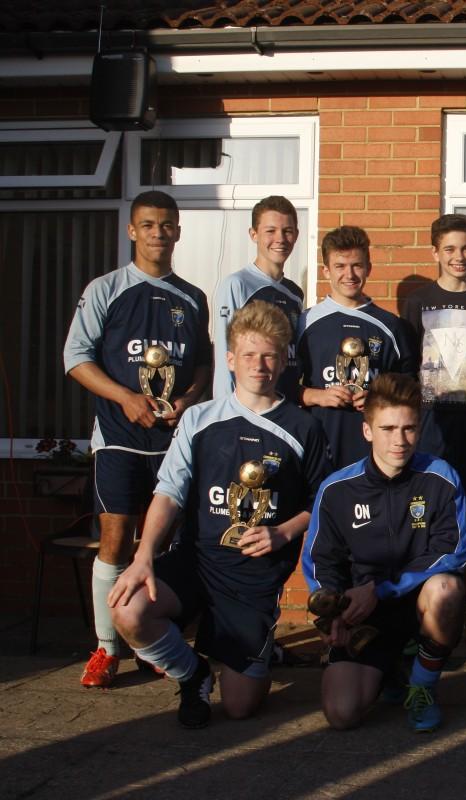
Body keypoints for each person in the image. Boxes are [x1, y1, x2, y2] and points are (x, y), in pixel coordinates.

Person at [107, 302, 330, 728]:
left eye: (269, 355)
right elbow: (169, 492)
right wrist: (143, 558)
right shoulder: (198, 418)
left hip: (252, 578)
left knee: (240, 707)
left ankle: (253, 652)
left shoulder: (303, 427)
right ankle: (191, 674)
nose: (259, 366)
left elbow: (323, 499)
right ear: (230, 359)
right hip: (197, 559)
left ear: (283, 359)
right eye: (248, 355)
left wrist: (283, 532)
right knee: (128, 609)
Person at [63, 190, 213, 688]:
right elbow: (76, 359)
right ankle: (106, 648)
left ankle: (147, 641)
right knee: (116, 537)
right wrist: (126, 397)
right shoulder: (106, 289)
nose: (158, 233)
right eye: (148, 225)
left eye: (167, 224)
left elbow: (203, 365)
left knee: (161, 542)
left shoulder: (193, 297)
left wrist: (190, 399)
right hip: (119, 436)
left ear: (177, 230)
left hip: (170, 442)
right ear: (132, 230)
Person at [301, 373, 466, 733]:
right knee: (342, 715)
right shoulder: (336, 490)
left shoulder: (441, 477)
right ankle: (391, 667)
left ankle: (422, 686)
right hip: (363, 613)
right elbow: (321, 561)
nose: (400, 440)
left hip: (414, 602)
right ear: (368, 431)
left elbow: (452, 551)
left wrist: (381, 589)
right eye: (388, 428)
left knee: (447, 589)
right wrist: (335, 612)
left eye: (409, 428)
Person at [403, 212, 466, 653]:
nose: (458, 257)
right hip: (431, 427)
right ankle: (418, 616)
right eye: (449, 249)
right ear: (435, 252)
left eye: (465, 248)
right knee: (426, 517)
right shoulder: (418, 301)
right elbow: (406, 366)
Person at [298, 225, 415, 469]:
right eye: (340, 266)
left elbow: (410, 385)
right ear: (326, 270)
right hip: (318, 442)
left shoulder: (391, 326)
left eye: (357, 266)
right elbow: (282, 386)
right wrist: (317, 395)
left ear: (368, 268)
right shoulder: (305, 323)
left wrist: (378, 396)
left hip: (373, 449)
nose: (349, 274)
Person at [212, 196, 304, 401]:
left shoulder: (295, 293)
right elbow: (223, 354)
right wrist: (224, 410)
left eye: (287, 231)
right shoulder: (237, 284)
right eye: (270, 231)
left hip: (283, 407)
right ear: (254, 234)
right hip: (246, 408)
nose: (280, 239)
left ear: (296, 235)